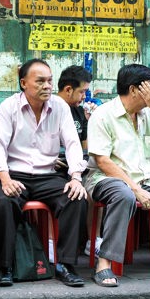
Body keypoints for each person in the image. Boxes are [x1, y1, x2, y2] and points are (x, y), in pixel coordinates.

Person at [0, 58, 88, 288]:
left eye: (50, 81)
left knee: (76, 198)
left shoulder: (60, 107)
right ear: (24, 83)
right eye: (40, 81)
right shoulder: (9, 106)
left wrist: (75, 178)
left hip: (47, 175)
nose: (47, 86)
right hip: (14, 174)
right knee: (3, 202)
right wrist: (4, 178)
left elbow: (73, 144)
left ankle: (65, 265)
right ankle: (4, 266)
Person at [85, 63, 150, 287]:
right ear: (133, 90)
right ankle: (104, 264)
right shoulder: (103, 115)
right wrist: (135, 188)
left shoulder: (148, 114)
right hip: (106, 179)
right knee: (124, 194)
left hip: (146, 180)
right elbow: (102, 160)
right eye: (149, 86)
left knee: (133, 191)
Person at [57, 66, 103, 257]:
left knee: (96, 185)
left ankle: (94, 240)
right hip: (55, 167)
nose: (84, 96)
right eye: (82, 91)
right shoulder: (50, 107)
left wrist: (91, 122)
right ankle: (54, 242)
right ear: (68, 89)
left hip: (78, 165)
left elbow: (86, 148)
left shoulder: (78, 112)